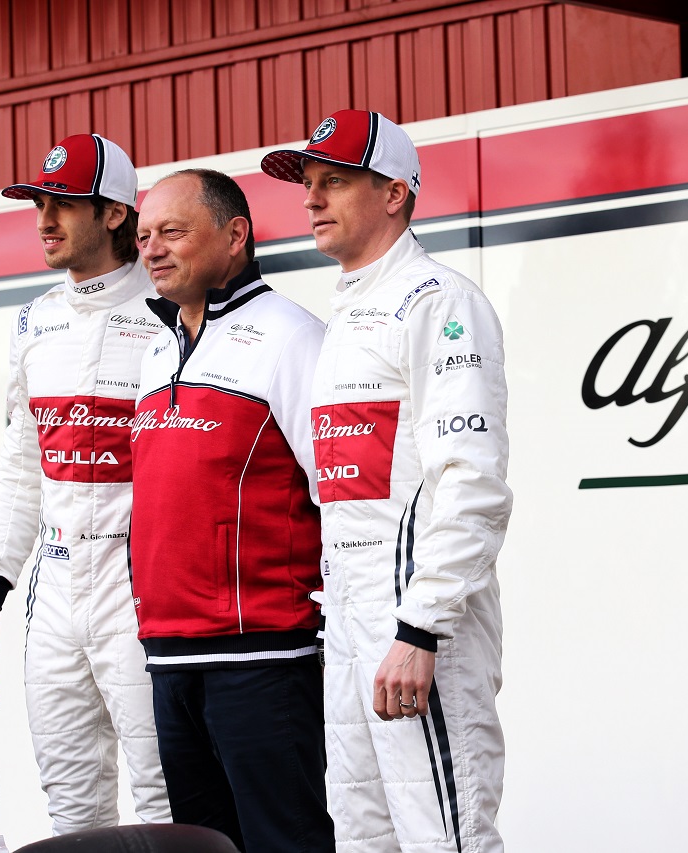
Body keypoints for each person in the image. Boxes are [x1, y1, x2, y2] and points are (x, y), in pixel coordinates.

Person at [261, 110, 513, 853]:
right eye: (308, 184)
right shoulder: (346, 313)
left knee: (445, 834)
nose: (311, 200)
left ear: (396, 193)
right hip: (346, 615)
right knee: (363, 833)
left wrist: (420, 625)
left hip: (415, 620)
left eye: (333, 182)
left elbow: (472, 482)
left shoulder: (438, 300)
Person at [0, 133, 171, 835]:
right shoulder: (35, 320)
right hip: (53, 597)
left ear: (115, 214)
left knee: (166, 803)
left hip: (141, 595)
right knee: (74, 813)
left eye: (64, 205)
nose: (45, 220)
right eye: (38, 204)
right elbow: (21, 471)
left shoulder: (171, 314)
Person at [128, 168, 335, 853]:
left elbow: (340, 492)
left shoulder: (292, 335)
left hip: (264, 659)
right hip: (169, 658)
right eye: (144, 235)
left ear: (235, 234)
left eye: (173, 232)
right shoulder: (157, 350)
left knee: (285, 842)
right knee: (203, 847)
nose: (152, 249)